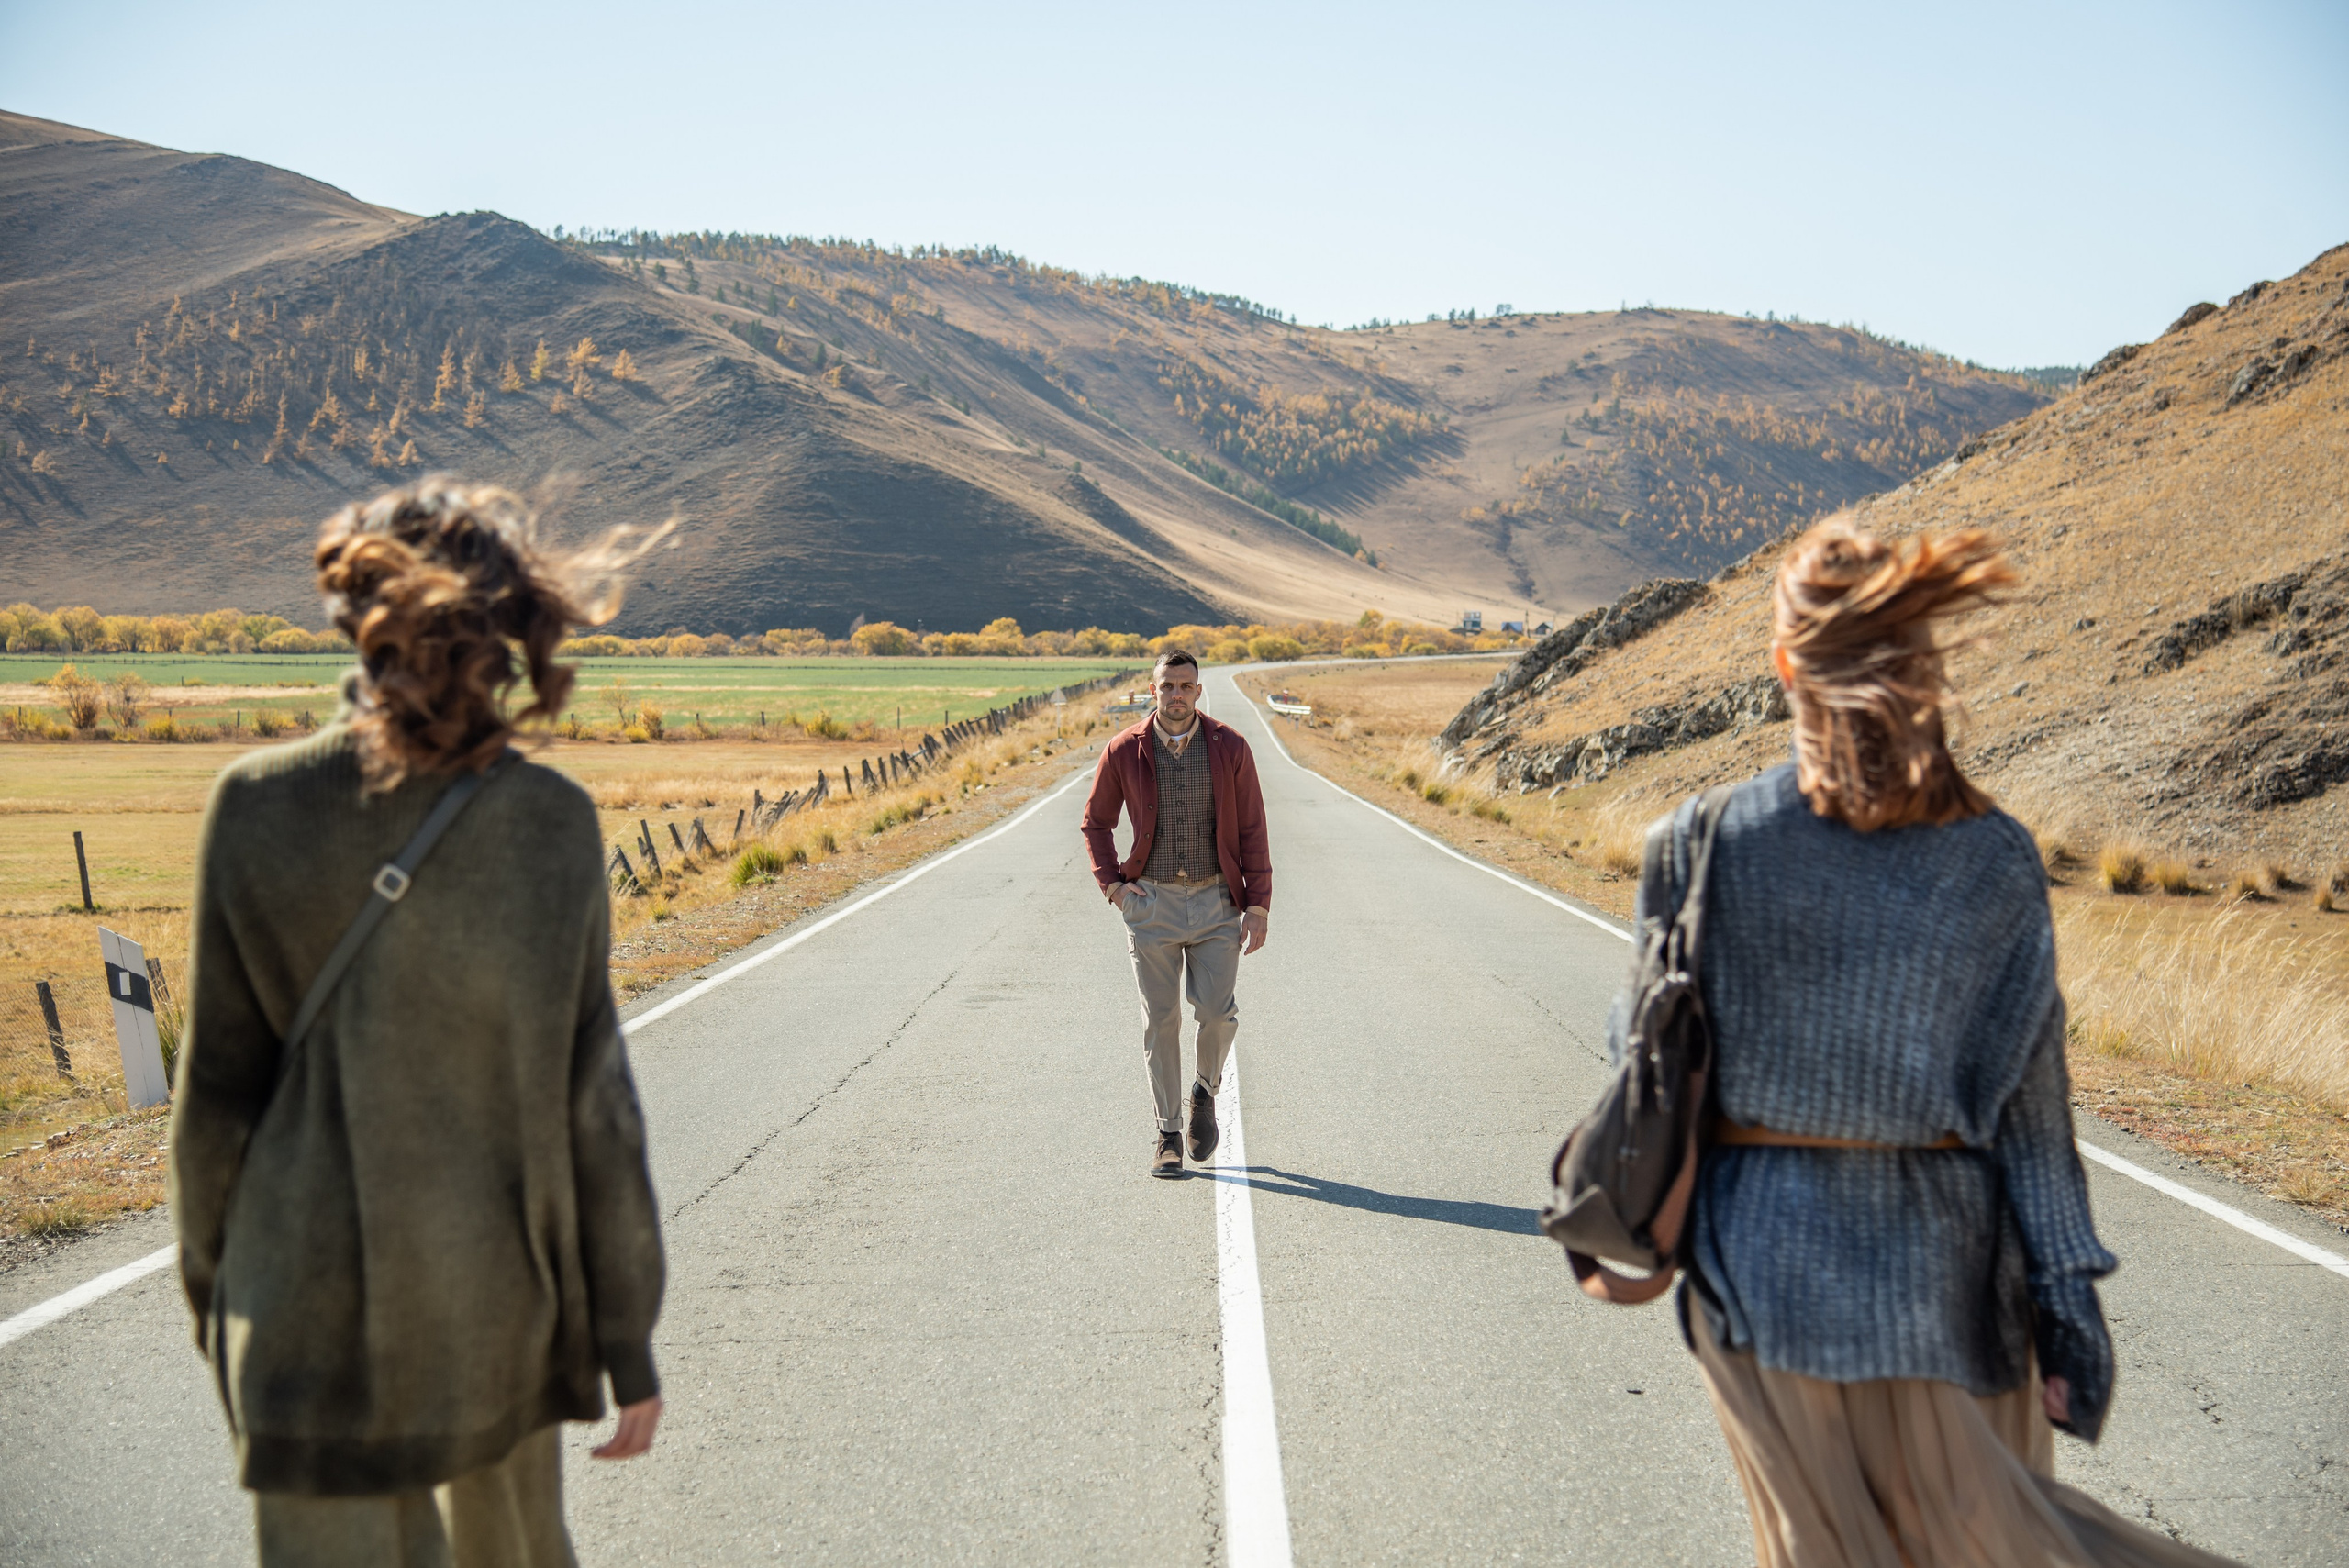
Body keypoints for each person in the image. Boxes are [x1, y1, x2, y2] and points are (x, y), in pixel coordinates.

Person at [1623, 519, 2245, 1568]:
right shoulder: (1996, 856)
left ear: (1785, 662)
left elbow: (1639, 1059)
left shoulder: (1695, 841)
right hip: (1954, 1283)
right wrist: (2068, 1309)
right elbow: (2034, 1116)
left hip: (1758, 1283)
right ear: (1924, 666)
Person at [170, 481, 667, 1567]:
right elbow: (597, 1110)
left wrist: (224, 1307)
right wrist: (625, 1340)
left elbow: (216, 1099)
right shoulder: (550, 825)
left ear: (355, 619)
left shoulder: (252, 804)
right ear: (512, 632)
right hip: (492, 1316)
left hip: (293, 1316)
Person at [1081, 650, 1272, 1176]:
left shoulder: (1230, 747)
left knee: (1216, 1013)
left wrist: (1257, 905)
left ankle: (1204, 1092)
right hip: (1152, 903)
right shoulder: (1124, 749)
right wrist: (1115, 888)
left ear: (1199, 691)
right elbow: (1095, 824)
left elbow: (1253, 829)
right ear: (1153, 690)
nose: (1177, 695)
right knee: (1160, 1021)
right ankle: (1167, 1132)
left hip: (1216, 902)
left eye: (1186, 686)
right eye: (1168, 686)